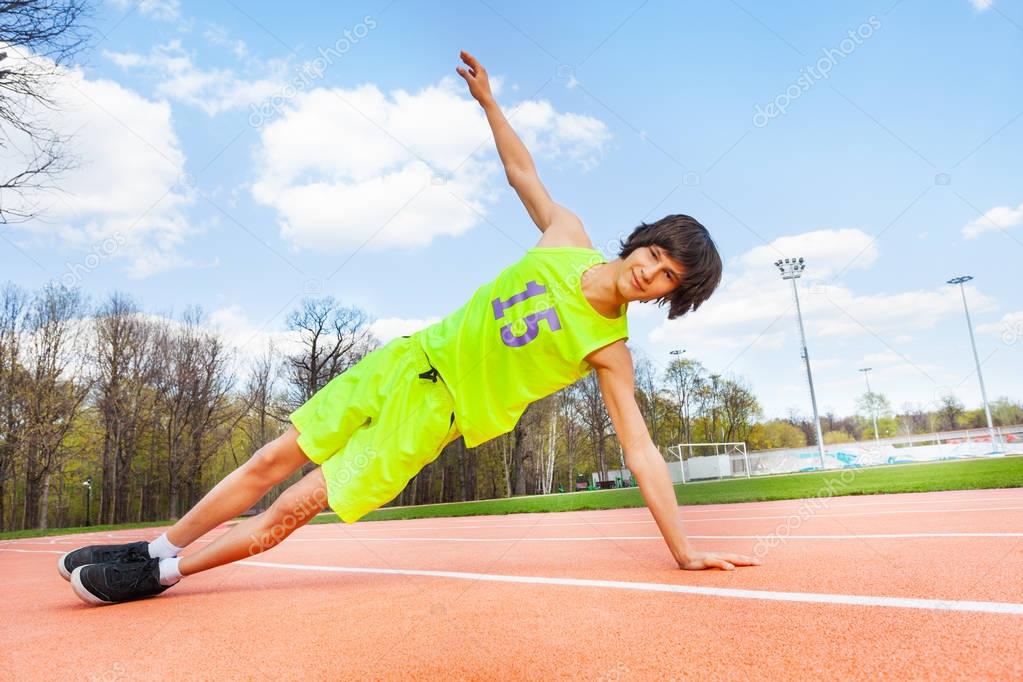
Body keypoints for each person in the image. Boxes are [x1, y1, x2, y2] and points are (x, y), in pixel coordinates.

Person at [61, 50, 759, 606]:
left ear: (673, 296)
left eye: (670, 276)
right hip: (403, 360)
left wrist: (683, 549)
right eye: (656, 254)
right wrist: (489, 103)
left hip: (433, 413)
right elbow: (522, 172)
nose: (652, 271)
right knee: (273, 459)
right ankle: (153, 549)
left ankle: (164, 576)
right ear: (639, 241)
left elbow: (639, 454)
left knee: (294, 506)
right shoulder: (565, 237)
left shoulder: (608, 349)